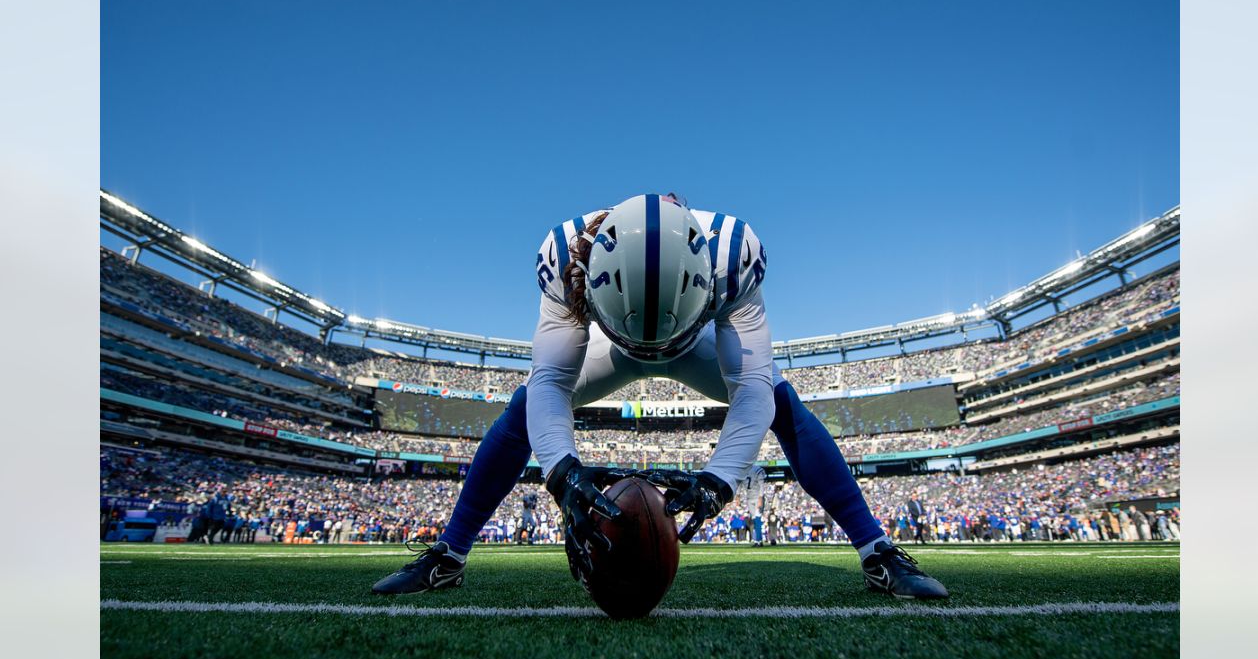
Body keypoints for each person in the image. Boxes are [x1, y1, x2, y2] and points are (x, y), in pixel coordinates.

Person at [371, 194, 947, 599]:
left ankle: (877, 550)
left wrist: (721, 477)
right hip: (609, 341)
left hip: (695, 340)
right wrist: (562, 473)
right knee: (526, 407)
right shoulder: (566, 254)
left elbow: (751, 387)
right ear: (590, 278)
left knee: (781, 400)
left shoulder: (732, 252)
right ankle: (447, 555)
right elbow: (549, 382)